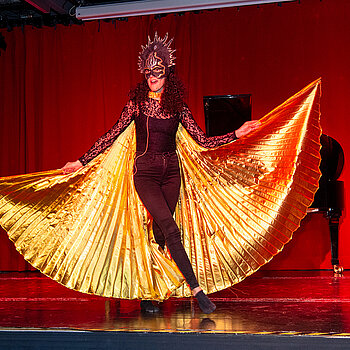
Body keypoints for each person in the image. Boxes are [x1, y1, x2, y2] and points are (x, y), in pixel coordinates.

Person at [62, 33, 260, 314]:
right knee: (170, 228)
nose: (152, 76)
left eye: (158, 71)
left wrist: (236, 134)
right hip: (145, 174)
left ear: (168, 72)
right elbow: (111, 134)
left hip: (172, 175)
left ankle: (153, 290)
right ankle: (197, 289)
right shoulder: (137, 104)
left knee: (160, 234)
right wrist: (81, 161)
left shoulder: (177, 107)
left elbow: (202, 141)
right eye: (148, 72)